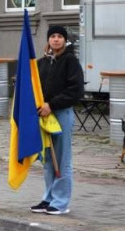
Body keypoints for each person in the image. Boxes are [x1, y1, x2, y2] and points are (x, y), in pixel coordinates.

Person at [31, 25, 85, 216]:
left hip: (60, 114)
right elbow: (34, 84)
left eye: (59, 36)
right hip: (43, 116)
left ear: (65, 40)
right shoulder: (42, 63)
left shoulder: (70, 61)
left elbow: (75, 90)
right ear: (48, 40)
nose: (56, 39)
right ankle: (48, 198)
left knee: (62, 159)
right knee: (47, 159)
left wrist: (52, 105)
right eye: (52, 36)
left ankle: (61, 202)